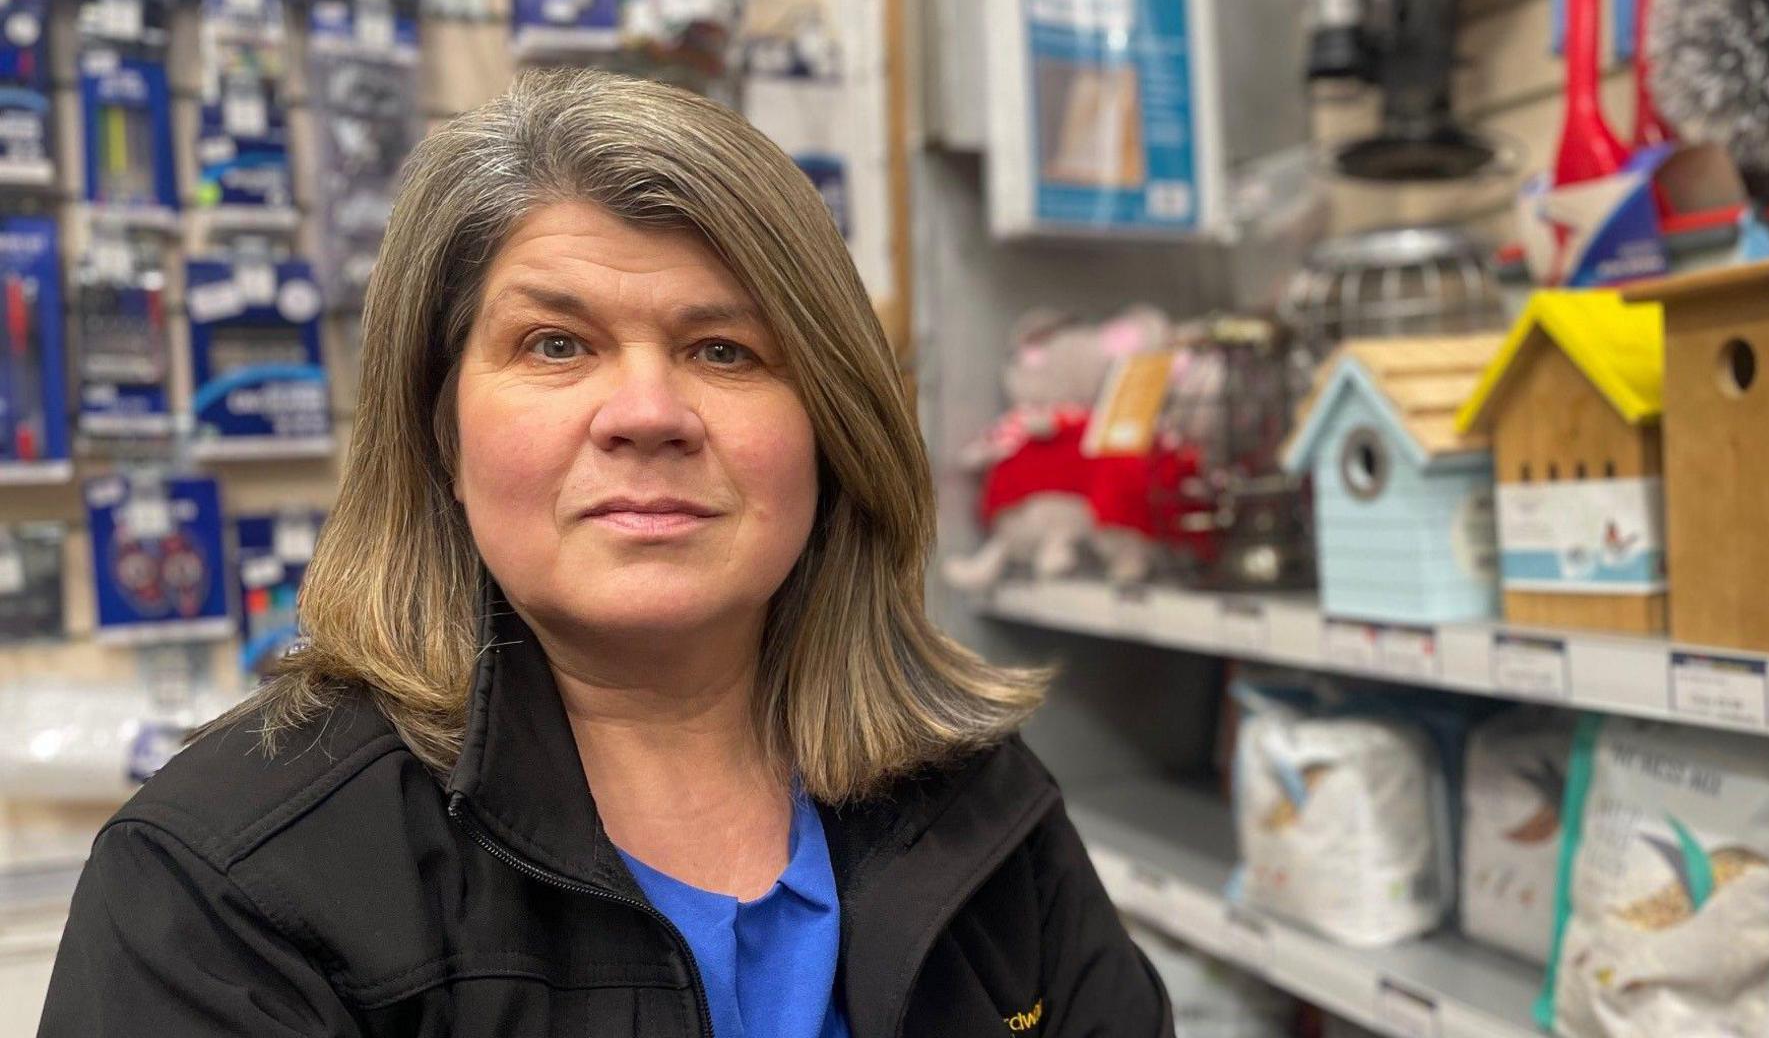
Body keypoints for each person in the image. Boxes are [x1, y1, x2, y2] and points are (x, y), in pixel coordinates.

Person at [39, 69, 1172, 1037]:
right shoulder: (222, 885)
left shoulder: (978, 800)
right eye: (555, 343)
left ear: (831, 425)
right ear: (440, 424)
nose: (647, 412)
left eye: (725, 351)